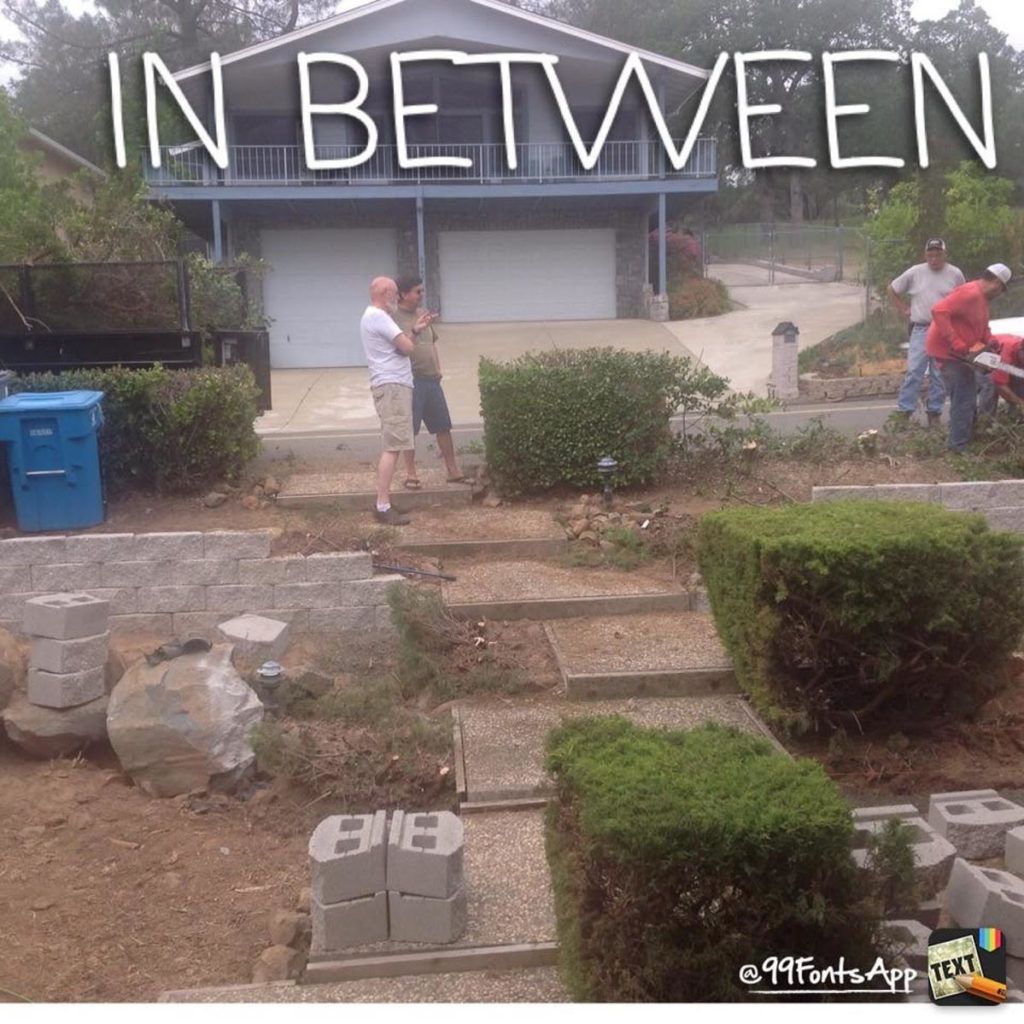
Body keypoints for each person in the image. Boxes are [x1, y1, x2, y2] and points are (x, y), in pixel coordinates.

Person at [359, 276, 436, 525]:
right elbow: (406, 348)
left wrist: (415, 330)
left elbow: (401, 346)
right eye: (393, 294)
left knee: (395, 444)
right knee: (392, 447)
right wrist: (410, 335)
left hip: (393, 385)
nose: (397, 298)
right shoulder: (379, 317)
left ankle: (386, 501)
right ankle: (382, 506)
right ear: (383, 293)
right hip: (392, 386)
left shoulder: (373, 317)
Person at [925, 263, 1013, 451]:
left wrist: (990, 340)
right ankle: (958, 448)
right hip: (949, 352)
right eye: (1001, 290)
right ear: (997, 283)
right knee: (964, 399)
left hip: (961, 355)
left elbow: (981, 326)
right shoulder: (970, 293)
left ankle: (964, 439)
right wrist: (955, 341)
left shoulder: (980, 299)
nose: (999, 294)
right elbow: (938, 311)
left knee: (970, 394)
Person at [391, 273, 466, 489]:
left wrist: (438, 369)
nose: (421, 295)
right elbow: (399, 348)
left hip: (432, 380)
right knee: (409, 429)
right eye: (417, 291)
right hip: (411, 381)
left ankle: (453, 471)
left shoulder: (422, 313)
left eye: (422, 290)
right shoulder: (393, 319)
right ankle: (411, 474)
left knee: (443, 426)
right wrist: (415, 330)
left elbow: (432, 342)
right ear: (404, 294)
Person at [889, 239, 965, 426]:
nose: (934, 258)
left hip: (943, 330)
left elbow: (964, 297)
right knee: (915, 370)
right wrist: (904, 309)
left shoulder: (955, 274)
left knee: (939, 373)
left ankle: (934, 412)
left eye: (938, 254)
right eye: (930, 254)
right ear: (925, 255)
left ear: (945, 255)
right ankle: (904, 412)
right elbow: (892, 289)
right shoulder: (915, 272)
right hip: (921, 328)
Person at [982, 333, 1024, 413]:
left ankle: (1015, 415)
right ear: (1021, 350)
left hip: (1009, 359)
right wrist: (1021, 403)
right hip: (980, 358)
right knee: (990, 386)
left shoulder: (1019, 351)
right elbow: (1000, 384)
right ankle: (986, 419)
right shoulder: (1005, 355)